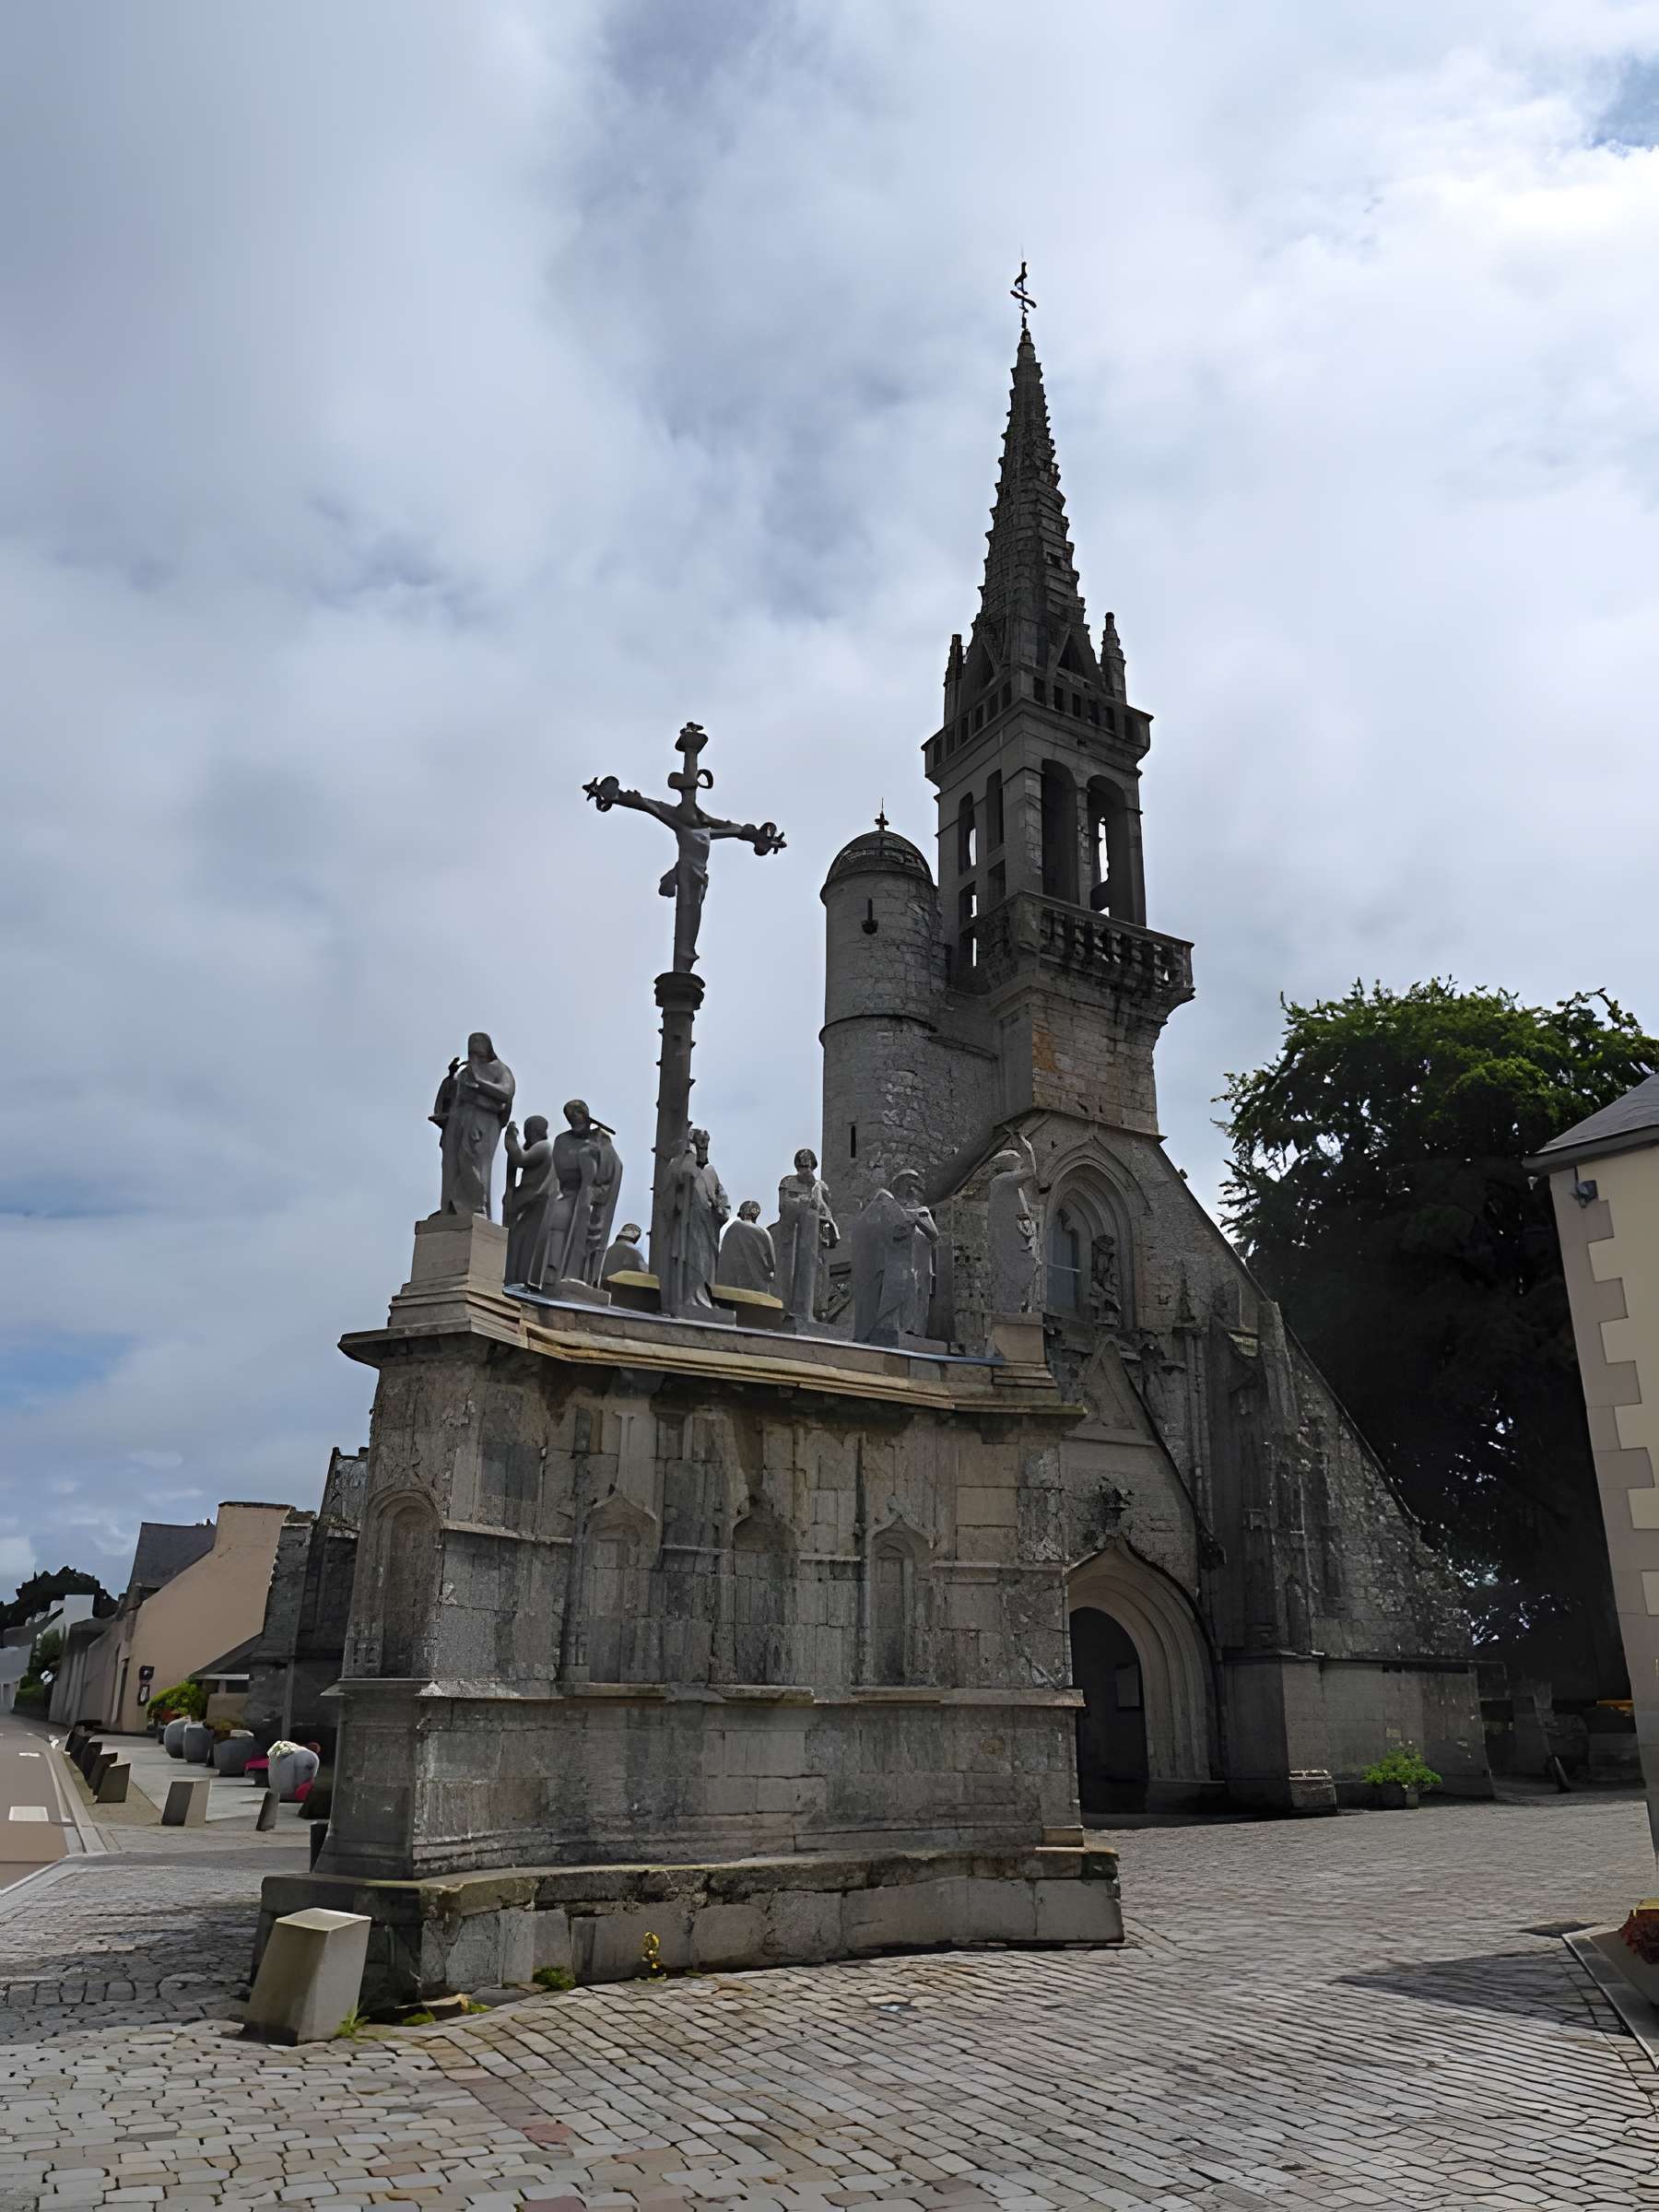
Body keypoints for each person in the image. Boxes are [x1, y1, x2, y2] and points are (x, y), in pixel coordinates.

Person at [430, 1033, 514, 1218]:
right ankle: (450, 1207)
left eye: (478, 1048)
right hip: (458, 1121)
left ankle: (477, 1205)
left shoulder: (500, 1069)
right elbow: (454, 1096)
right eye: (471, 1049)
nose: (474, 1054)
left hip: (483, 1121)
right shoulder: (466, 1072)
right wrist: (452, 1079)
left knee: (472, 1160)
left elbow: (506, 1092)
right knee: (451, 1162)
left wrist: (480, 1083)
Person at [662, 1126, 730, 1315]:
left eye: (705, 1147)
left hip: (707, 1227)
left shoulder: (710, 1171)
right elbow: (668, 1193)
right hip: (686, 1224)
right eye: (698, 1145)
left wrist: (718, 1208)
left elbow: (722, 1201)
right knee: (688, 1260)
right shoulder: (678, 1164)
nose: (701, 1151)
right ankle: (687, 1299)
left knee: (703, 1265)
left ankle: (702, 1300)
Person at [775, 1148, 839, 1323]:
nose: (805, 1170)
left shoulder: (821, 1187)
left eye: (808, 1167)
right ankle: (788, 1309)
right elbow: (783, 1206)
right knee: (790, 1273)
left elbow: (826, 1211)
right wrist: (803, 1204)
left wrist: (826, 1224)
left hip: (815, 1239)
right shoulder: (787, 1183)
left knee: (817, 1274)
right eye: (801, 1166)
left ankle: (815, 1311)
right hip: (792, 1236)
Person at [502, 1115, 557, 1288]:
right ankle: (515, 1277)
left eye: (527, 1130)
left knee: (520, 1240)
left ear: (532, 1130)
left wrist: (511, 1140)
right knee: (519, 1240)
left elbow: (520, 1159)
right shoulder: (545, 1148)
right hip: (530, 1201)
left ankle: (517, 1279)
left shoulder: (543, 1146)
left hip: (532, 1200)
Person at [720, 1201, 776, 1294]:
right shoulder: (764, 1233)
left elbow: (724, 1254)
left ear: (741, 1214)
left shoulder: (732, 1228)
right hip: (757, 1286)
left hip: (729, 1283)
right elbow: (772, 1263)